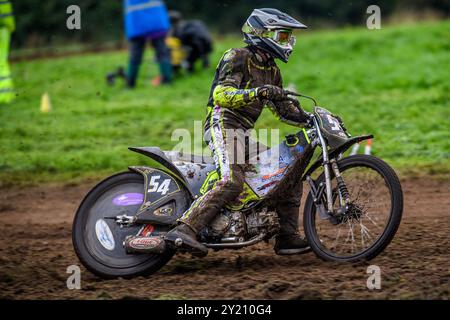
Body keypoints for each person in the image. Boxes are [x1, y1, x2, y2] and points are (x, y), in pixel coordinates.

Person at [165, 8, 312, 256]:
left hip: (244, 131)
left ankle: (286, 236)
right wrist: (257, 93)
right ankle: (185, 229)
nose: (288, 43)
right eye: (283, 36)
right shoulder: (237, 57)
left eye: (288, 38)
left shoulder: (272, 71)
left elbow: (284, 111)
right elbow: (220, 94)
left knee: (289, 170)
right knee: (232, 180)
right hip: (223, 122)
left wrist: (312, 118)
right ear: (262, 33)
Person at [123, 0, 173, 87]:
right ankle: (167, 81)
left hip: (137, 22)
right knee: (162, 52)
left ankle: (130, 84)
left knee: (135, 55)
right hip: (155, 20)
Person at [0, 1, 15, 104]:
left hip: (3, 27)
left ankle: (4, 95)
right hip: (4, 28)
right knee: (2, 61)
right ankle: (5, 95)